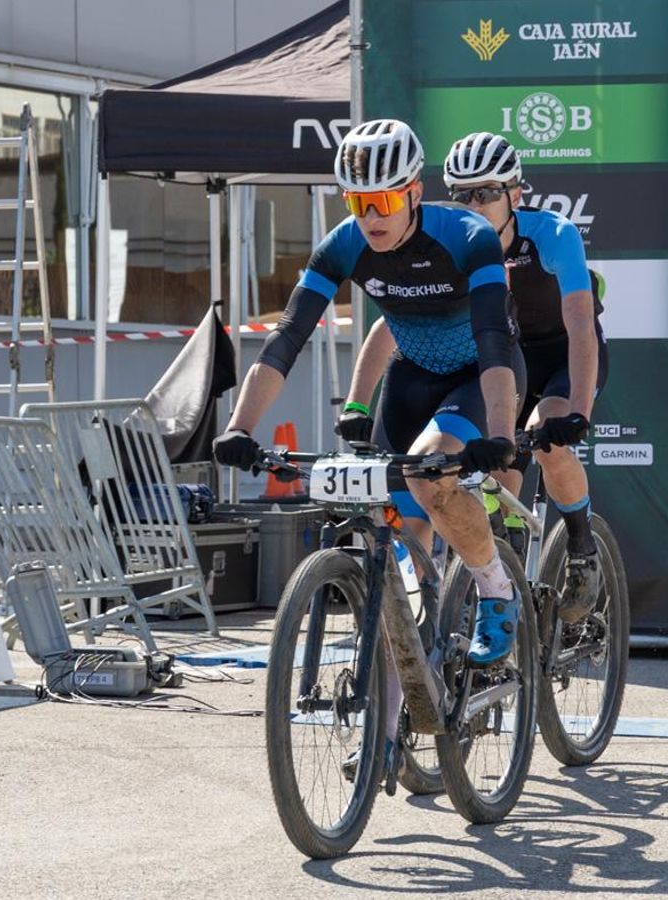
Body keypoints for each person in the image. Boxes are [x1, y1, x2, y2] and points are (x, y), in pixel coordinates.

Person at [212, 119, 527, 667]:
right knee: (395, 518)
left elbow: (495, 340)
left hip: (477, 375)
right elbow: (287, 337)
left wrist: (499, 433)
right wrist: (240, 426)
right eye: (359, 203)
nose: (372, 217)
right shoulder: (345, 244)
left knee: (434, 480)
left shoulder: (468, 238)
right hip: (411, 378)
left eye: (383, 200)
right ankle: (401, 703)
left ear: (412, 193)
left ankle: (496, 590)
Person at [341, 132, 605, 623]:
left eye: (486, 193)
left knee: (548, 437)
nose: (474, 203)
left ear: (516, 195)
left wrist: (579, 414)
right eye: (462, 194)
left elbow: (580, 326)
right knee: (492, 477)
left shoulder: (551, 235)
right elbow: (394, 324)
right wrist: (357, 402)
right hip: (495, 364)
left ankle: (581, 544)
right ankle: (497, 578)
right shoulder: (453, 243)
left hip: (556, 354)